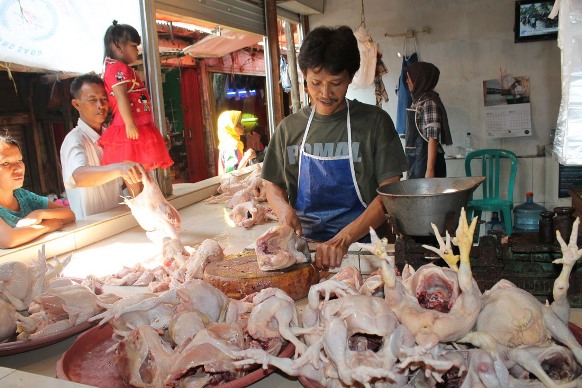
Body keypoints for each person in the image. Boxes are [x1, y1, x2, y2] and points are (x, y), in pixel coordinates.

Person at [261, 25, 408, 269]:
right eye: (315, 82)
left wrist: (344, 239)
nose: (325, 93)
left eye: (336, 83)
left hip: (367, 250)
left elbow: (390, 195)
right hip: (305, 250)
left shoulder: (374, 123)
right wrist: (284, 211)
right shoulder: (289, 129)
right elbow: (272, 184)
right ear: (304, 76)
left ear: (350, 77)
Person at [98, 21, 173, 194]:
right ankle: (140, 202)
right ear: (118, 46)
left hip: (134, 126)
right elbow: (121, 96)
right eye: (134, 46)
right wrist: (130, 123)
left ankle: (142, 201)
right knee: (133, 172)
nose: (137, 51)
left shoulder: (118, 68)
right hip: (129, 128)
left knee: (137, 172)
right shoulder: (118, 68)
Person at [60, 73, 143, 218]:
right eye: (92, 100)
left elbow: (127, 183)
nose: (101, 105)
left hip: (117, 222)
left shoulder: (112, 136)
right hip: (91, 230)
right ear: (76, 104)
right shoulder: (74, 139)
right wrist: (120, 168)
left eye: (104, 99)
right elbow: (80, 177)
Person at [0, 136, 75, 248]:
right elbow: (8, 239)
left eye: (19, 160)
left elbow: (69, 214)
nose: (18, 168)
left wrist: (39, 214)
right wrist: (46, 227)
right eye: (6, 163)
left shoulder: (23, 196)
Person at [404, 61, 453, 179]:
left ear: (419, 79)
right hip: (417, 160)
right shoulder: (417, 102)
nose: (407, 81)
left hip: (427, 163)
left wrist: (430, 170)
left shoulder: (429, 102)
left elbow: (433, 138)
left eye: (409, 78)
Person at [216, 110, 256, 175]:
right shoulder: (230, 146)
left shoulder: (226, 144)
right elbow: (231, 175)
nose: (242, 125)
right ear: (230, 126)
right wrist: (246, 157)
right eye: (238, 123)